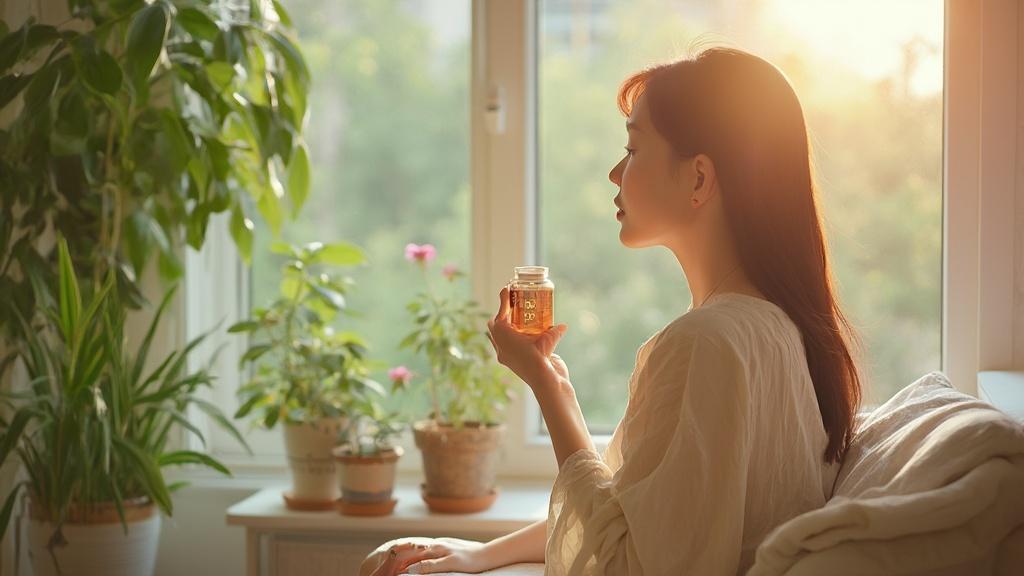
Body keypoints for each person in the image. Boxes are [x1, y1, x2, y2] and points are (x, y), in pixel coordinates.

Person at [361, 45, 864, 576]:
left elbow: (627, 562)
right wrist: (479, 553)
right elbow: (630, 512)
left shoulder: (706, 343)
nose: (614, 173)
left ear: (697, 179)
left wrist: (545, 390)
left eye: (633, 148)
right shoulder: (775, 329)